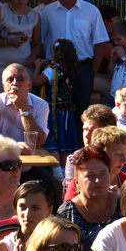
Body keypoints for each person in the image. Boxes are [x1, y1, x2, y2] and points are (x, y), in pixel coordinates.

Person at [40, 0, 108, 117]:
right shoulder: (48, 11)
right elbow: (40, 39)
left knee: (82, 112)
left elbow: (100, 42)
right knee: (55, 112)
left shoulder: (91, 11)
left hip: (83, 68)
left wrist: (92, 71)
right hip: (55, 69)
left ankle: (79, 139)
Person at [57, 146, 122, 251]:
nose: (98, 180)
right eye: (90, 176)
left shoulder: (123, 206)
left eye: (103, 174)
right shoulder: (67, 214)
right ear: (76, 183)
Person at [32, 38, 79, 171]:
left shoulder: (51, 70)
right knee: (65, 143)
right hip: (67, 111)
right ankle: (67, 171)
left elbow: (36, 82)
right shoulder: (69, 68)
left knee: (55, 139)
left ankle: (57, 171)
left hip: (54, 111)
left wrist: (37, 67)